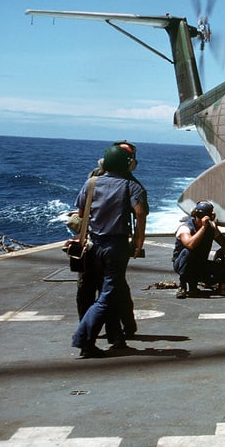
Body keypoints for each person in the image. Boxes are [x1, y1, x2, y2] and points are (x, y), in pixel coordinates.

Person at [71, 142, 148, 358]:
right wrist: (139, 240)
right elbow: (140, 213)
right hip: (115, 247)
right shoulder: (131, 186)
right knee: (107, 295)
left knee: (94, 292)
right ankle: (84, 339)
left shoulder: (91, 182)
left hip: (92, 245)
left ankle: (112, 337)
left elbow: (80, 213)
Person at [172, 200, 225, 298]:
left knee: (222, 272)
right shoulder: (185, 228)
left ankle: (195, 285)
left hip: (200, 263)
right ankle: (182, 285)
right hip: (182, 264)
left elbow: (224, 244)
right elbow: (190, 244)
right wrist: (204, 227)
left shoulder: (211, 228)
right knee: (188, 252)